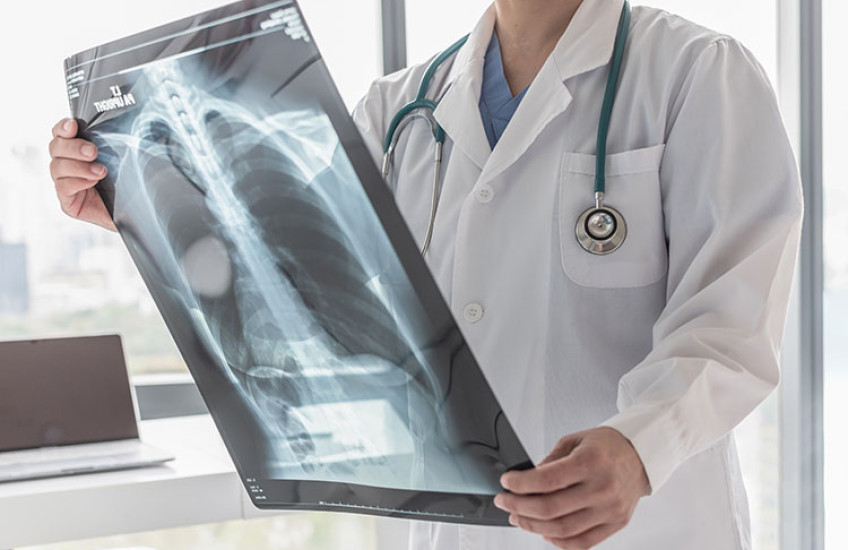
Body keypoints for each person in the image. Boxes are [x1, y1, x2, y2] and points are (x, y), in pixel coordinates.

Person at [48, 0, 803, 548]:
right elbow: (287, 277)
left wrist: (640, 449)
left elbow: (730, 327)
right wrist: (132, 210)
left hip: (648, 531)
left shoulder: (699, 75)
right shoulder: (396, 109)